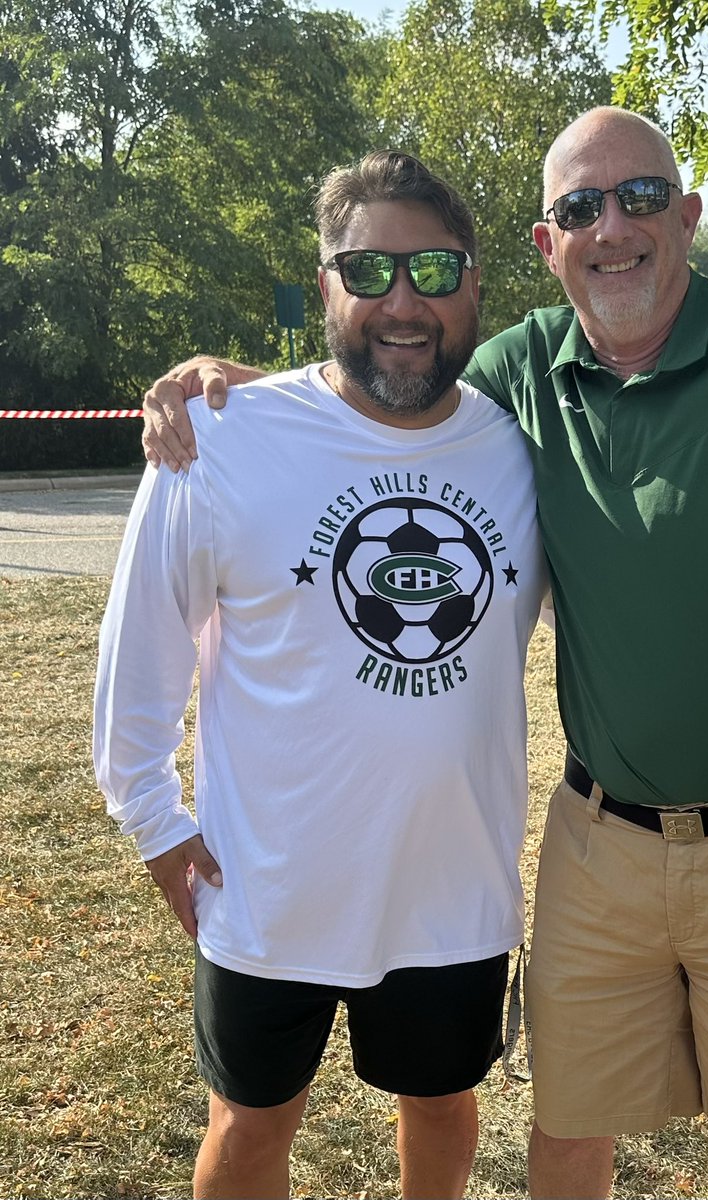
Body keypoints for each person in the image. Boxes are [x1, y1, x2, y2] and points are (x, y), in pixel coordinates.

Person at [142, 108, 708, 1200]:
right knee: (566, 1126)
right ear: (548, 245)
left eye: (641, 197)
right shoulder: (518, 375)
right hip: (600, 844)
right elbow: (385, 387)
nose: (612, 228)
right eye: (579, 207)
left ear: (686, 216)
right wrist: (236, 387)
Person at [94, 151, 549, 1200]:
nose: (402, 300)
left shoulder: (525, 451)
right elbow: (139, 665)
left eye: (433, 271)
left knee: (440, 1105)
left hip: (454, 888)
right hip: (272, 888)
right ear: (325, 284)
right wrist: (159, 830)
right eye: (368, 270)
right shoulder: (220, 438)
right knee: (252, 1127)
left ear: (476, 284)